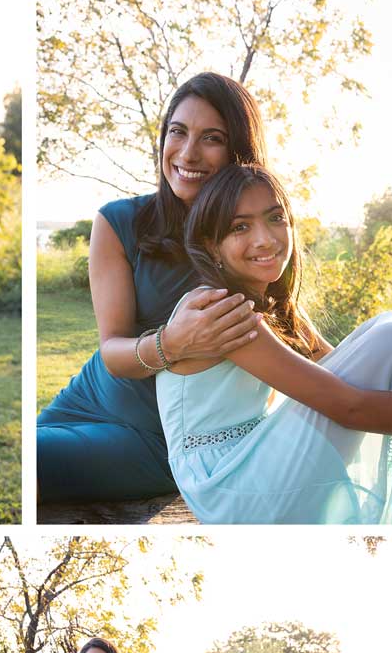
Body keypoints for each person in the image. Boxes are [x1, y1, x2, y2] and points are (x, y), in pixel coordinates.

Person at [37, 73, 267, 506]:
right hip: (87, 399)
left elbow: (310, 347)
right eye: (177, 132)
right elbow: (112, 350)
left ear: (238, 150)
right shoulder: (119, 221)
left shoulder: (251, 240)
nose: (188, 152)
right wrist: (173, 341)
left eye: (212, 138)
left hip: (161, 436)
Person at [155, 162, 392, 523]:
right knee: (386, 334)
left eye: (275, 219)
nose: (265, 239)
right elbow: (350, 407)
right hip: (230, 486)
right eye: (240, 227)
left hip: (253, 464)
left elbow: (340, 371)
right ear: (211, 245)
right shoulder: (220, 311)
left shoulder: (268, 304)